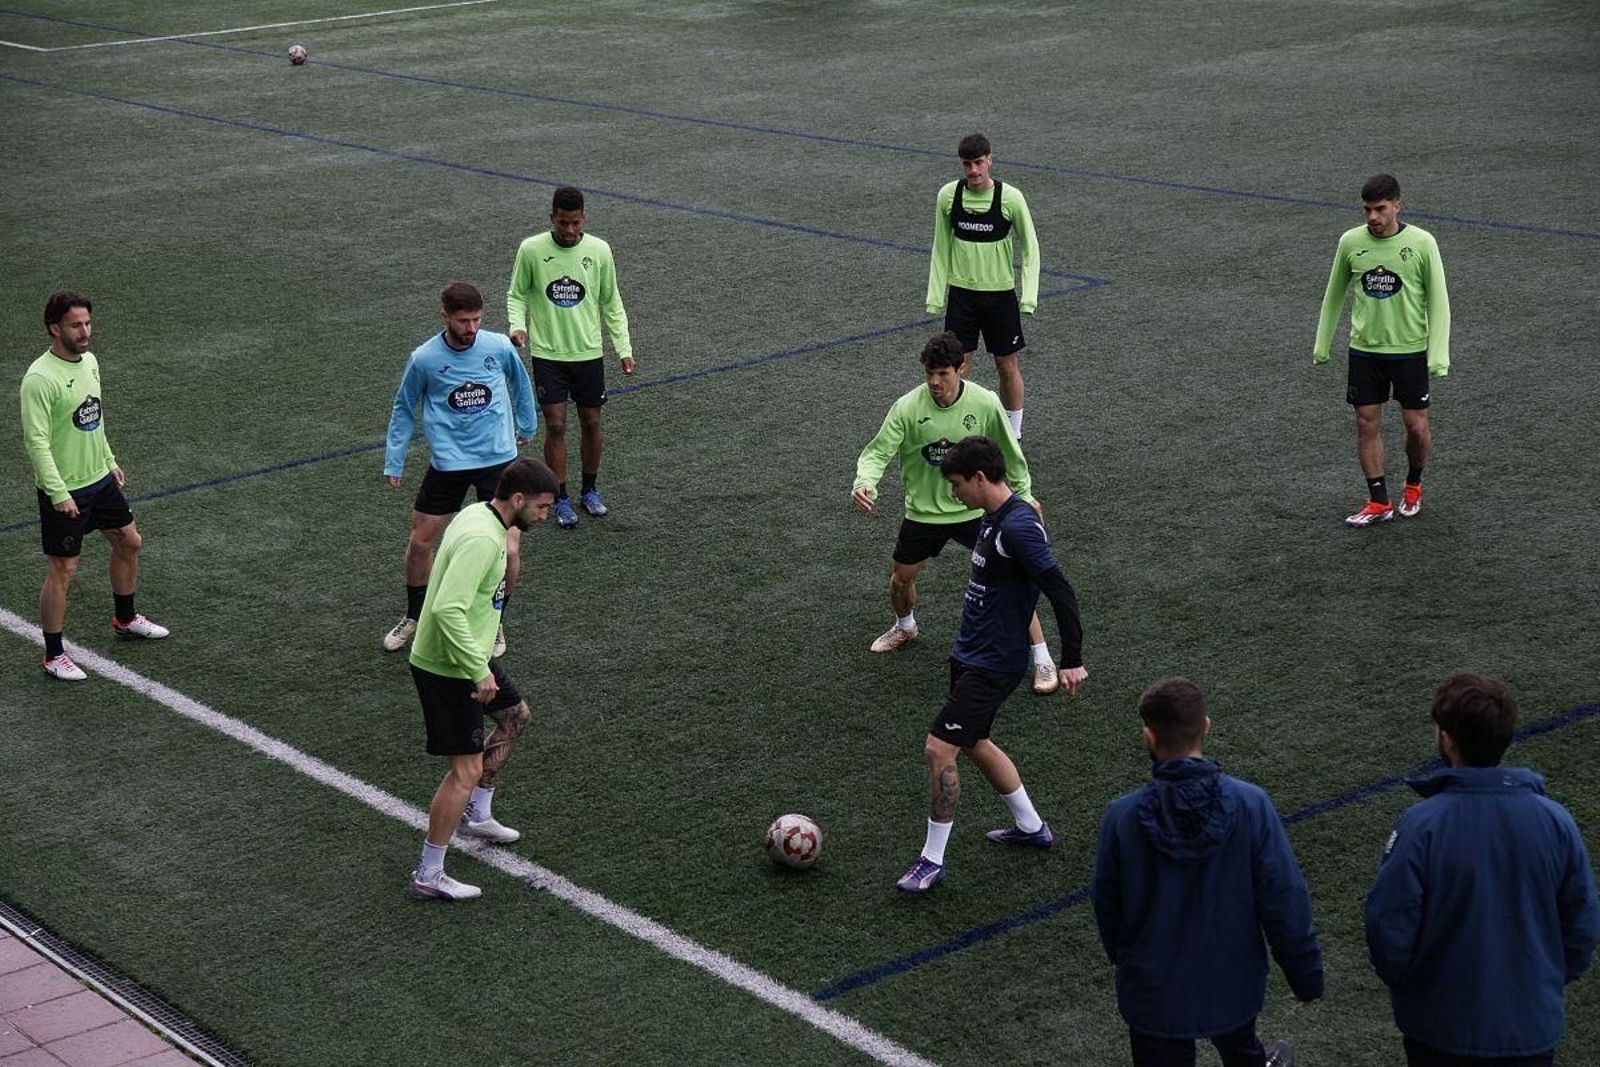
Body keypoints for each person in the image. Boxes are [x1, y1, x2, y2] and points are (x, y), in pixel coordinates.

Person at [1364, 673, 1600, 1066]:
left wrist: (1415, 989)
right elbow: (1582, 922)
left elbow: (1388, 926)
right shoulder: (1555, 821)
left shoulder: (1421, 825)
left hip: (1440, 1030)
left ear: (1447, 739)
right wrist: (1545, 979)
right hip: (1529, 1027)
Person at [1092, 677, 1320, 1067]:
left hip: (1153, 988)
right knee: (1241, 1048)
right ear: (1206, 726)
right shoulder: (1251, 804)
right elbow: (1284, 898)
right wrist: (1305, 976)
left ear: (1149, 735)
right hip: (1232, 978)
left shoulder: (1121, 816)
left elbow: (1107, 903)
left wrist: (1128, 959)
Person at [894, 435, 1087, 894]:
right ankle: (1031, 826)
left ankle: (931, 860)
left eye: (957, 484)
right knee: (975, 741)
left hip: (994, 663)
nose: (953, 492)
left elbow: (1060, 590)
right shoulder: (992, 516)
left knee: (939, 749)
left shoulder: (1017, 527)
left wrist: (1071, 659)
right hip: (970, 653)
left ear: (980, 478)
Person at [854, 331, 1060, 694]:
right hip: (924, 513)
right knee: (900, 580)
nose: (934, 382)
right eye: (929, 373)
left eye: (942, 373)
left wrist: (1025, 495)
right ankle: (905, 626)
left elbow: (1010, 454)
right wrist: (865, 482)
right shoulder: (907, 407)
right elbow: (878, 451)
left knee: (1011, 579)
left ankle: (1042, 658)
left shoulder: (984, 402)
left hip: (977, 510)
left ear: (960, 368)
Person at [409, 457, 559, 901]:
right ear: (518, 499)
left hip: (469, 657)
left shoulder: (482, 516)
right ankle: (429, 874)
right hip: (449, 665)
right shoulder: (481, 538)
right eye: (542, 507)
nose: (545, 516)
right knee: (465, 770)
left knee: (515, 717)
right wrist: (478, 671)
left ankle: (477, 815)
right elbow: (446, 608)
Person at [20, 291, 168, 681]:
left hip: (99, 481)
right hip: (65, 488)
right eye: (75, 325)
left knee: (129, 541)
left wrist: (108, 461)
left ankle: (125, 619)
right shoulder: (40, 379)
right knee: (64, 568)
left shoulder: (90, 362)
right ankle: (54, 655)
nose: (85, 332)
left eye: (87, 323)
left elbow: (94, 418)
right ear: (55, 328)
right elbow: (36, 442)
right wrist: (58, 493)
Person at [382, 282, 536, 656]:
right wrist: (394, 458)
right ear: (445, 317)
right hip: (448, 464)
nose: (471, 328)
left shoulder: (498, 347)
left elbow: (520, 384)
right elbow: (404, 406)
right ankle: (415, 615)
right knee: (420, 542)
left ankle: (494, 621)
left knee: (508, 549)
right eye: (463, 321)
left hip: (499, 461)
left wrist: (528, 425)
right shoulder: (424, 359)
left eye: (477, 320)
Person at [1312, 173, 1450, 527]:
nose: (1372, 216)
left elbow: (1439, 300)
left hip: (1409, 351)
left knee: (1416, 426)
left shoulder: (1422, 243)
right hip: (1365, 351)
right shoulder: (1350, 242)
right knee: (1365, 422)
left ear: (1397, 206)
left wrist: (1438, 355)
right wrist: (1322, 344)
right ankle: (1378, 501)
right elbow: (1333, 295)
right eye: (1367, 209)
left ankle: (1413, 484)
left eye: (1380, 209)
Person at [507, 185, 636, 529]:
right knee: (556, 425)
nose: (569, 230)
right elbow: (517, 294)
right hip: (548, 353)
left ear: (583, 219)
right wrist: (518, 327)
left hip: (588, 353)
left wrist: (623, 348)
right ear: (552, 218)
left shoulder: (599, 250)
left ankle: (589, 491)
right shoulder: (531, 249)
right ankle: (560, 496)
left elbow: (611, 302)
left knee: (592, 422)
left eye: (575, 223)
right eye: (563, 223)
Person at [925, 132, 1040, 440]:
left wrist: (1028, 297)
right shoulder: (948, 196)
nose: (973, 170)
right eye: (967, 164)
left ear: (990, 160)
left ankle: (1013, 434)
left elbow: (1031, 248)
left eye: (978, 162)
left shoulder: (1010, 198)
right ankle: (957, 431)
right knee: (957, 365)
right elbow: (940, 247)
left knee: (1006, 366)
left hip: (1000, 297)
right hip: (962, 296)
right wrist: (935, 297)